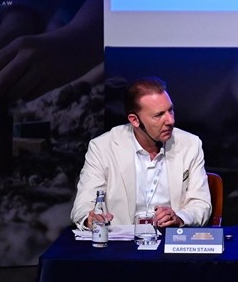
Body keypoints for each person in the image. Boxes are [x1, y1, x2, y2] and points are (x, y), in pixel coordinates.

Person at [71, 77, 212, 229]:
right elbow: (83, 204)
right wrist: (90, 218)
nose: (170, 120)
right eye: (158, 115)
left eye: (170, 110)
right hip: (121, 245)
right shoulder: (103, 147)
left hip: (170, 240)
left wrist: (180, 218)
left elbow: (201, 203)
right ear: (135, 120)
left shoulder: (190, 144)